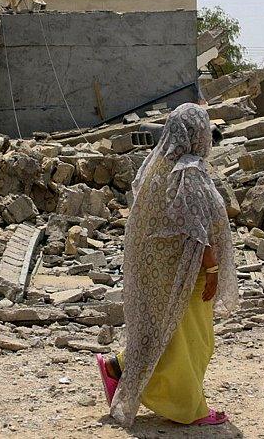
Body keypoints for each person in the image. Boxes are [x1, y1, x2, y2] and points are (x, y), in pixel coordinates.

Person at [94, 102, 238, 427]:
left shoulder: (158, 166)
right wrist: (212, 270)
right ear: (197, 134)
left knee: (166, 333)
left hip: (162, 270)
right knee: (191, 342)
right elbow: (195, 229)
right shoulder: (187, 171)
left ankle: (117, 367)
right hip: (188, 275)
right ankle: (190, 409)